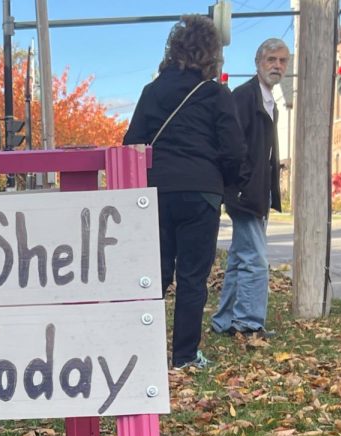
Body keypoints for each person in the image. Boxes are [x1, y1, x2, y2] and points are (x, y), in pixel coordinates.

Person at [123, 16, 245, 370]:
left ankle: (140, 352)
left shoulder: (152, 92)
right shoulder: (216, 94)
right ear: (211, 54)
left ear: (173, 49)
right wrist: (225, 183)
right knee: (193, 277)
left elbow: (132, 143)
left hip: (155, 191)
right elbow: (233, 150)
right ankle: (185, 356)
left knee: (154, 274)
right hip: (201, 191)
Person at [212, 38, 289, 340]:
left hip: (258, 192)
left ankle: (224, 320)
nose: (277, 66)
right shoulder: (244, 97)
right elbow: (231, 146)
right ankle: (249, 323)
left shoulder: (270, 101)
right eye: (271, 59)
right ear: (258, 62)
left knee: (241, 258)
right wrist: (241, 184)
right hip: (245, 193)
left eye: (282, 61)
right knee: (256, 260)